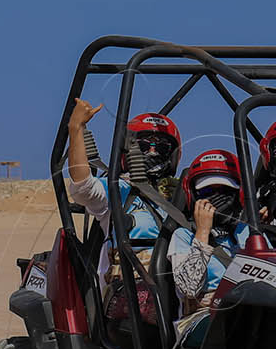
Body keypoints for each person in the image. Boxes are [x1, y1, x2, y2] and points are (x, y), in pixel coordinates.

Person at [63, 98, 183, 285]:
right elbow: (83, 188)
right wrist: (76, 128)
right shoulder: (118, 189)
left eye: (161, 147)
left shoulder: (182, 194)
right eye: (144, 146)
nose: (152, 152)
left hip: (176, 291)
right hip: (128, 296)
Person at [167, 149, 251, 308]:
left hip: (246, 312)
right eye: (207, 191)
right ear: (194, 196)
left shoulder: (246, 232)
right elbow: (189, 289)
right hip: (202, 318)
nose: (217, 198)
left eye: (225, 191)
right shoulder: (183, 236)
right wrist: (203, 233)